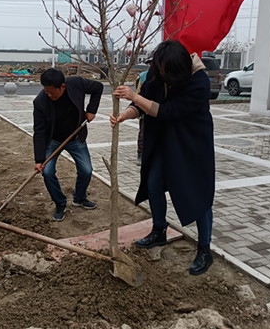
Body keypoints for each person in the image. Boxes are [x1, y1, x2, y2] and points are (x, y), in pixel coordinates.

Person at [110, 40, 215, 275]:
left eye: (167, 73)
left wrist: (135, 97)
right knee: (154, 183)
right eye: (161, 71)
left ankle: (204, 249)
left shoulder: (199, 82)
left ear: (180, 69)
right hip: (163, 141)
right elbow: (141, 103)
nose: (163, 76)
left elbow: (167, 111)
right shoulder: (157, 74)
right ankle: (159, 230)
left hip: (191, 143)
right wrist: (125, 114)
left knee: (199, 194)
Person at [33, 68, 103, 221]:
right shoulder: (40, 102)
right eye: (46, 91)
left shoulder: (76, 84)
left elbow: (98, 87)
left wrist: (91, 110)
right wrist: (39, 160)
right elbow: (39, 131)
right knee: (47, 172)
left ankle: (79, 198)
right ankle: (60, 203)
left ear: (62, 87)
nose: (49, 95)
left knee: (86, 170)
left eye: (52, 92)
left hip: (75, 137)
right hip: (53, 140)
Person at [134, 58, 151, 165]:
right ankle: (140, 154)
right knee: (143, 134)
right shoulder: (143, 76)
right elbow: (139, 93)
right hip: (144, 109)